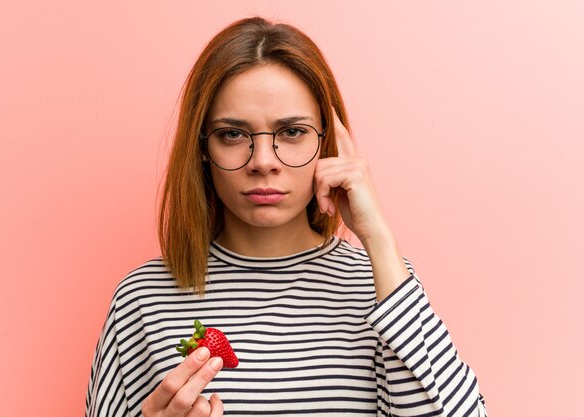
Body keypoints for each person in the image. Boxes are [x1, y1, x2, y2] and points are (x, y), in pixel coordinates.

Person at [85, 16, 488, 417]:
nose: (263, 162)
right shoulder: (141, 299)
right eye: (232, 134)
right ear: (203, 148)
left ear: (327, 141)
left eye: (292, 132)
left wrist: (378, 238)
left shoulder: (382, 285)